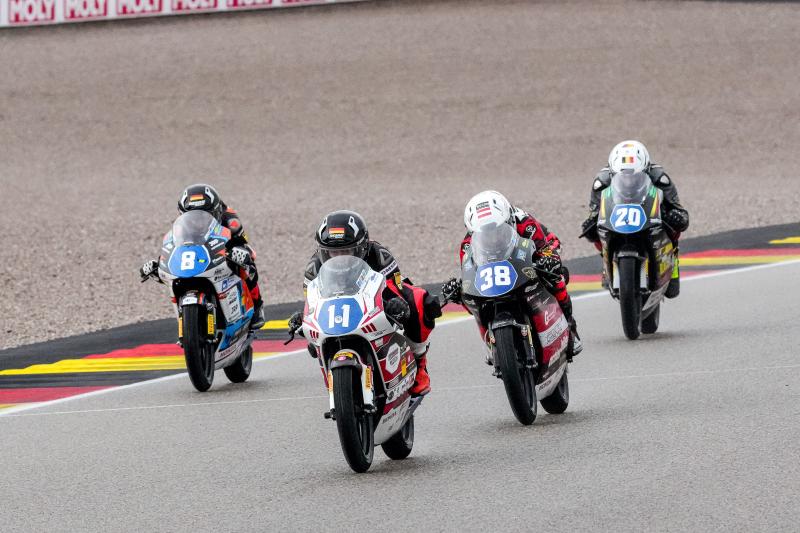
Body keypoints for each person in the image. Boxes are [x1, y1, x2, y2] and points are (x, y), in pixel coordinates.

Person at [290, 210, 441, 396]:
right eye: (333, 253)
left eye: (346, 251)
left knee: (420, 302)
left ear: (362, 247)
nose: (339, 259)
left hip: (373, 301)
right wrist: (302, 317)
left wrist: (395, 303)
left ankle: (419, 363)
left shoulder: (380, 256)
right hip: (336, 311)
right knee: (311, 343)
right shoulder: (313, 268)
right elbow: (312, 300)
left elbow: (395, 288)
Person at [444, 190, 582, 357]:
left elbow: (546, 250)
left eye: (496, 229)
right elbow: (469, 274)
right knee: (473, 296)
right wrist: (459, 291)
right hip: (498, 271)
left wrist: (548, 261)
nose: (492, 236)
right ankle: (491, 342)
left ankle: (570, 326)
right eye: (485, 232)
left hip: (531, 253)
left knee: (556, 274)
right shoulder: (467, 245)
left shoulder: (526, 224)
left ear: (508, 220)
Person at [139, 184, 265, 329]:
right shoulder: (181, 224)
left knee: (246, 260)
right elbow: (173, 246)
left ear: (216, 211)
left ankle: (257, 305)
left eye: (204, 215)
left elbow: (243, 243)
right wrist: (159, 264)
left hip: (225, 248)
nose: (197, 220)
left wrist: (237, 253)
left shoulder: (231, 221)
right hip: (199, 254)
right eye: (193, 216)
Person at [580, 140, 689, 297]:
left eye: (634, 175)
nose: (629, 180)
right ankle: (607, 263)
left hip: (649, 215)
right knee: (593, 231)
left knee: (675, 226)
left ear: (646, 169)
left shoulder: (660, 177)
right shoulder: (601, 182)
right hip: (617, 218)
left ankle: (673, 264)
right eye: (622, 175)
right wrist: (591, 221)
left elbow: (679, 209)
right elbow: (595, 211)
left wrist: (676, 216)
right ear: (612, 172)